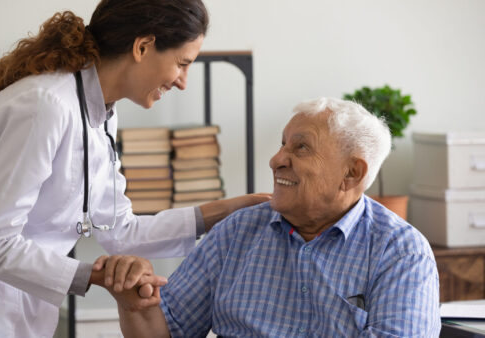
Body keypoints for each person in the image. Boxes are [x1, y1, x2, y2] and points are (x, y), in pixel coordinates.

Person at [0, 1, 269, 337]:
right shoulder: (45, 105)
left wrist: (227, 211)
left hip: (16, 306)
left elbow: (119, 230)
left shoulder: (101, 114)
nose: (183, 82)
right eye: (182, 63)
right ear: (142, 47)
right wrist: (97, 276)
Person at [109, 97, 441, 337]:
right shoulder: (238, 230)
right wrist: (133, 302)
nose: (276, 159)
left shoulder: (401, 252)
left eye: (301, 148)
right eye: (283, 145)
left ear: (351, 174)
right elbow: (167, 331)